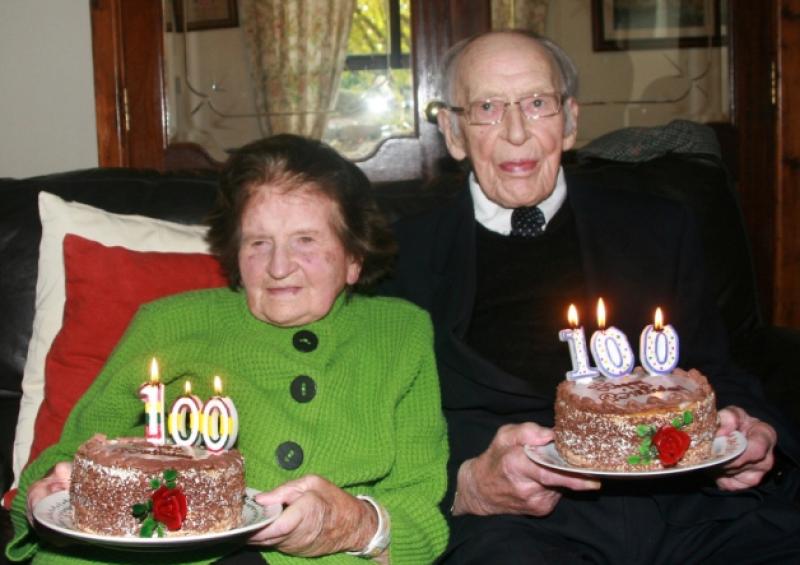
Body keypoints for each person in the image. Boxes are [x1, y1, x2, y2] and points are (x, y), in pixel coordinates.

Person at [381, 30, 800, 564]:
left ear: (571, 120)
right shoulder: (397, 257)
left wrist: (758, 434)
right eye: (487, 107)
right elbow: (380, 426)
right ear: (454, 132)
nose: (516, 133)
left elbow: (721, 368)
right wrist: (466, 482)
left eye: (537, 104)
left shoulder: (659, 226)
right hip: (518, 527)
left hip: (690, 507)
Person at [6, 134, 448, 565]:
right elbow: (75, 450)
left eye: (305, 241)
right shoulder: (169, 322)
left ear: (354, 256)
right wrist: (45, 493)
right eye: (258, 243)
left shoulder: (400, 332)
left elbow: (420, 501)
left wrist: (353, 525)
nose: (277, 267)